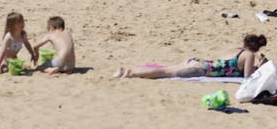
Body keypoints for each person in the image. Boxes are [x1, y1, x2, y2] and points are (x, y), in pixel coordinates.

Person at [114, 34, 267, 79]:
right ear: (256, 48)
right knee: (164, 73)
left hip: (200, 62)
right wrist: (260, 67)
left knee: (165, 69)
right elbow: (247, 77)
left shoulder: (237, 49)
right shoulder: (249, 55)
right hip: (201, 70)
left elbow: (228, 64)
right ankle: (130, 73)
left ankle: (126, 70)